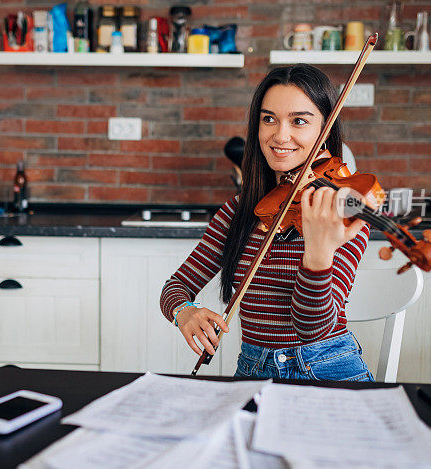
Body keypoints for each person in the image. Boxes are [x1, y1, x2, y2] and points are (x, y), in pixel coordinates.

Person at [159, 64, 374, 381]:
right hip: (252, 371)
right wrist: (184, 312)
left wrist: (317, 255)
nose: (280, 135)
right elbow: (175, 287)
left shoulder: (341, 210)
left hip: (327, 370)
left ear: (325, 130)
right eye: (269, 119)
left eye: (298, 121)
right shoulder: (240, 211)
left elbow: (312, 327)